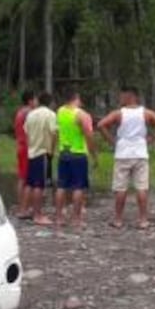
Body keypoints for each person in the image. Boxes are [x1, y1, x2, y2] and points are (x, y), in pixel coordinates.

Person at [97, 87, 155, 229]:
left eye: (122, 96)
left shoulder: (119, 113)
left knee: (120, 188)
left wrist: (112, 141)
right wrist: (152, 138)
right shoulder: (145, 113)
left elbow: (100, 125)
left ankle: (118, 219)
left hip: (123, 153)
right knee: (141, 187)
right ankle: (143, 220)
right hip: (140, 152)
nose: (120, 99)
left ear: (130, 96)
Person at [54, 89, 97, 229]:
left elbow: (57, 131)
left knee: (61, 186)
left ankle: (59, 217)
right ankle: (76, 219)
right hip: (78, 153)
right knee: (78, 187)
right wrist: (94, 155)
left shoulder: (60, 111)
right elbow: (89, 136)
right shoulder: (82, 115)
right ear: (76, 98)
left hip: (63, 152)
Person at [23, 91, 58, 225]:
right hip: (42, 152)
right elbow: (54, 133)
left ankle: (30, 210)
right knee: (39, 185)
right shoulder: (50, 114)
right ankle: (38, 215)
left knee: (31, 183)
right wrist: (51, 151)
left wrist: (31, 146)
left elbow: (26, 132)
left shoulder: (31, 114)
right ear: (50, 102)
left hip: (32, 151)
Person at [12, 91, 36, 218]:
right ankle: (24, 209)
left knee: (22, 178)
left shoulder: (20, 112)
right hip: (27, 148)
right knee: (28, 179)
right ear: (30, 100)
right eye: (35, 99)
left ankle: (22, 206)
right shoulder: (29, 113)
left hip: (20, 146)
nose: (37, 102)